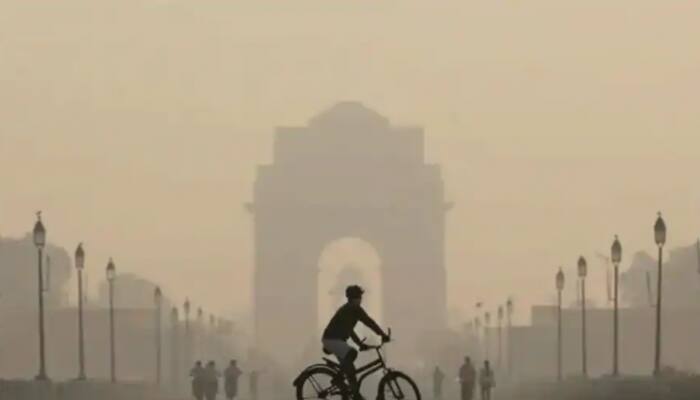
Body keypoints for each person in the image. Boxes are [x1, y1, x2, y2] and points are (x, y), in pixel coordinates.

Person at [322, 285, 390, 400]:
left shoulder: (349, 309)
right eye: (359, 297)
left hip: (334, 341)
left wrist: (360, 344)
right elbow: (369, 322)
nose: (360, 300)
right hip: (331, 340)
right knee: (352, 353)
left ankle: (354, 394)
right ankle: (338, 379)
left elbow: (349, 330)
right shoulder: (353, 309)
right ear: (354, 298)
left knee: (351, 370)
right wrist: (382, 335)